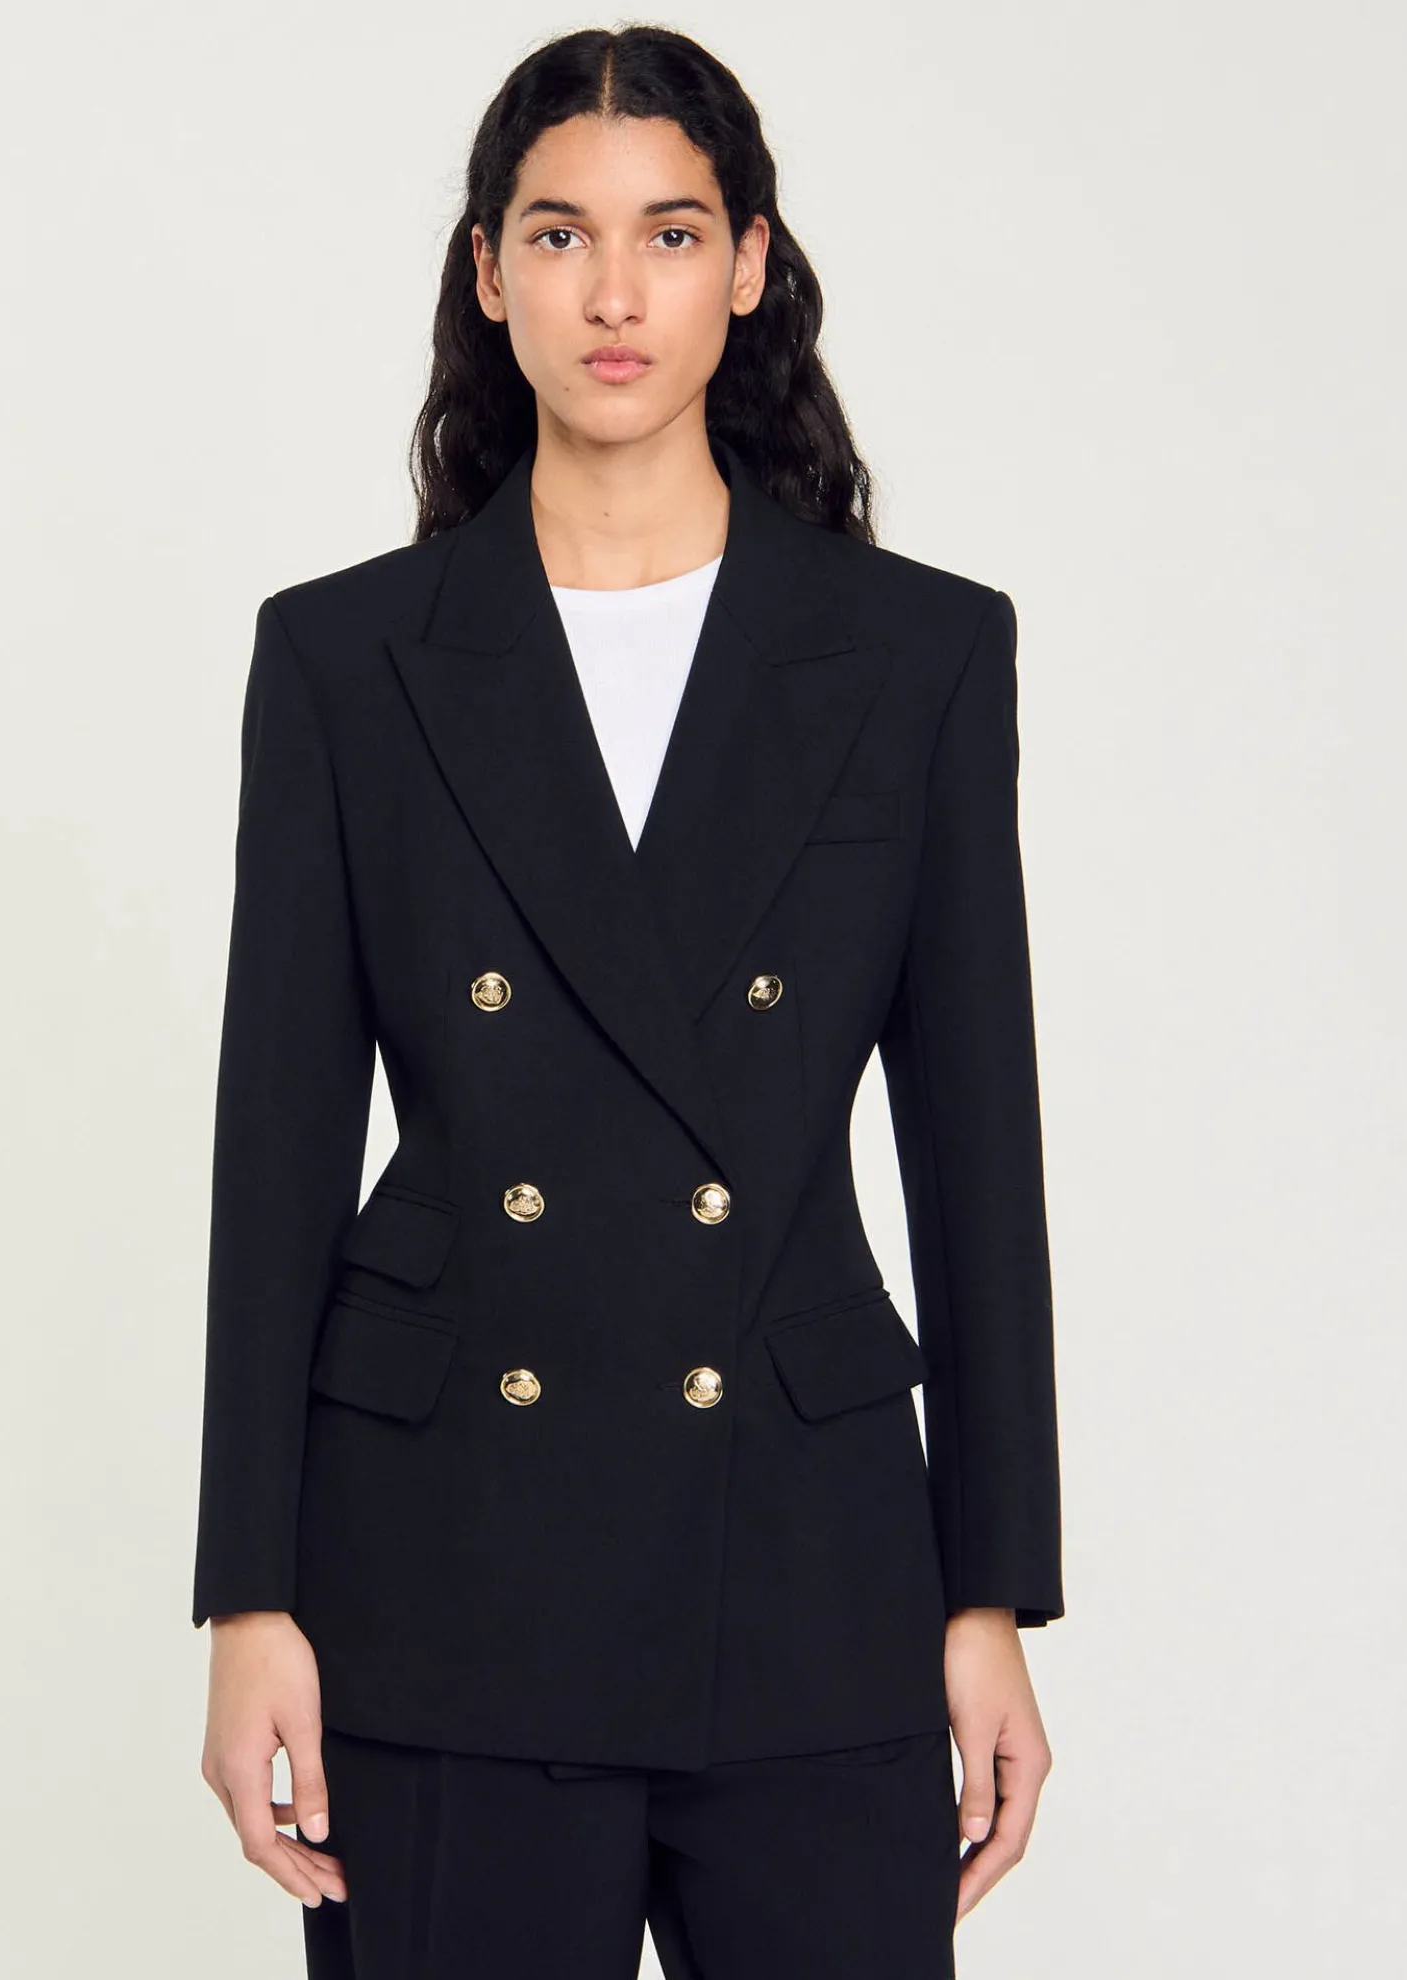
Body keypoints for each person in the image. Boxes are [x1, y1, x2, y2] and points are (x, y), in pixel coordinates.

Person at [191, 24, 1062, 1979]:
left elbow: (977, 1150)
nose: (612, 292)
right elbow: (277, 1152)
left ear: (747, 265)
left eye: (668, 234)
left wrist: (992, 1590)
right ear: (487, 270)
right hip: (443, 1567)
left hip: (811, 1556)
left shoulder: (917, 654)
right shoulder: (345, 661)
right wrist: (248, 1595)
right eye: (558, 234)